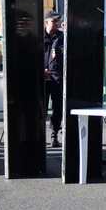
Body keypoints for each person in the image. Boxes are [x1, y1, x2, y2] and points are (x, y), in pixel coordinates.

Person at [44, 10, 63, 148]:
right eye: (53, 21)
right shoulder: (39, 37)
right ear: (46, 22)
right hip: (43, 79)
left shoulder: (61, 37)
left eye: (57, 21)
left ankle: (54, 134)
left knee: (57, 108)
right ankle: (39, 136)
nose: (56, 23)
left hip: (57, 78)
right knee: (41, 108)